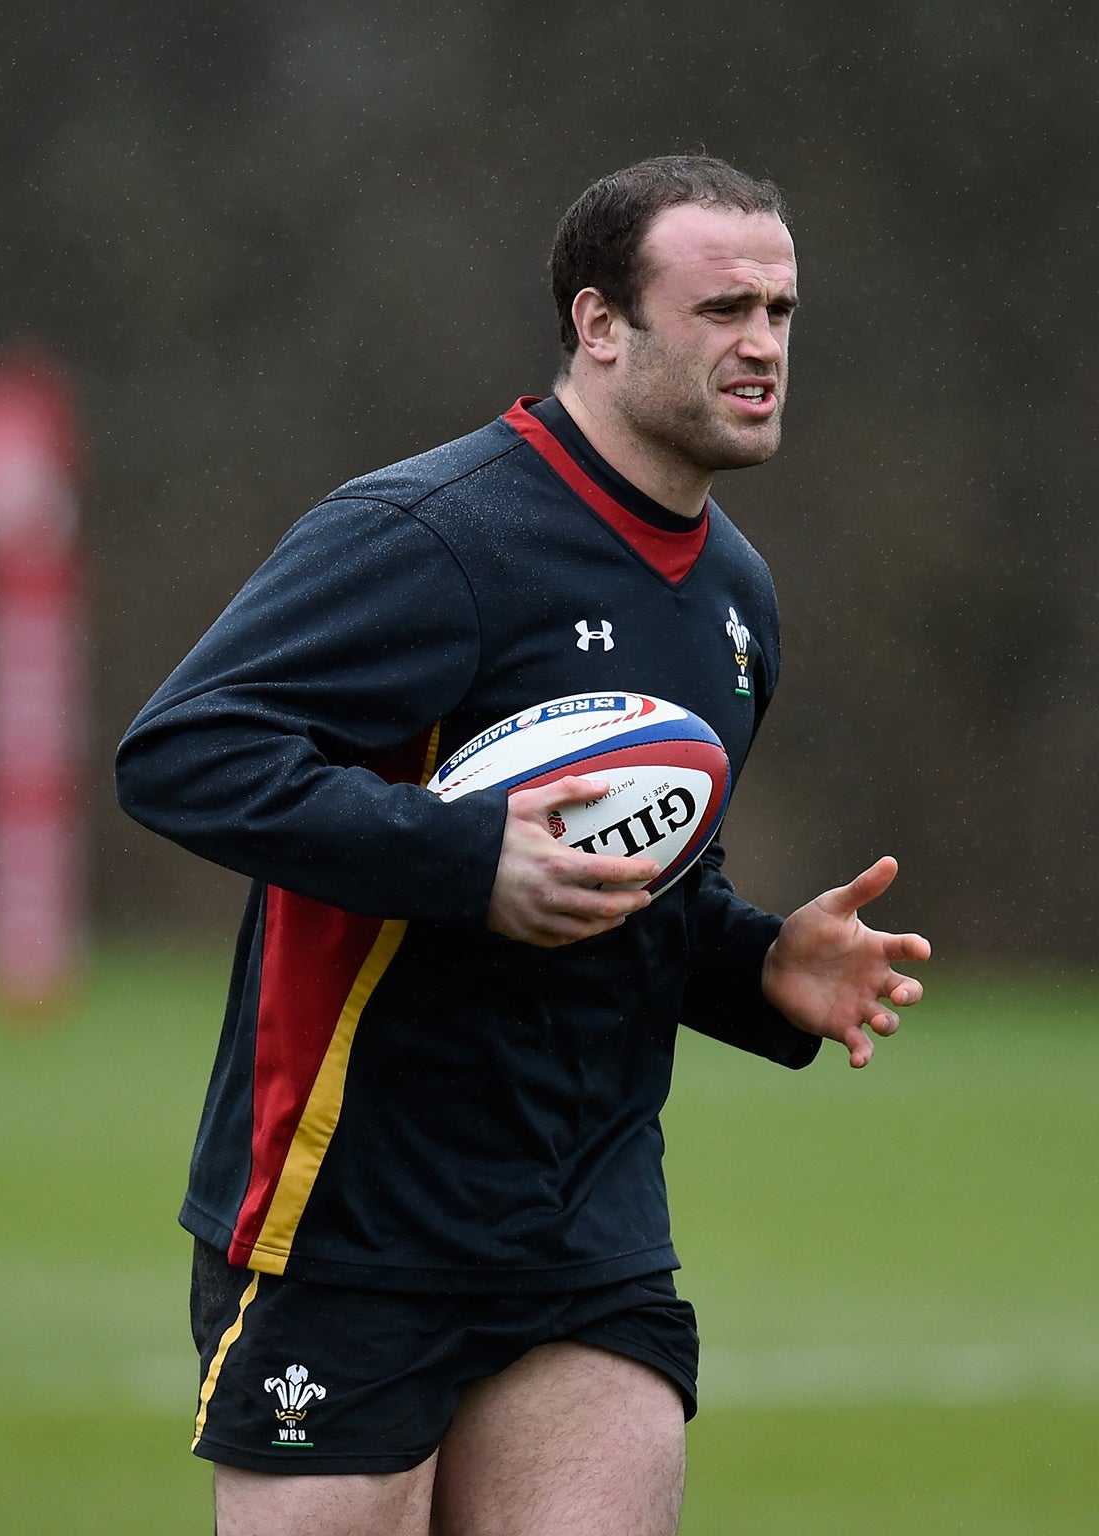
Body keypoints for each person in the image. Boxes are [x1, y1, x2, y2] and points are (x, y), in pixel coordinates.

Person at [115, 155, 931, 1536]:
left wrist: (758, 965)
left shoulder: (735, 594)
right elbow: (181, 755)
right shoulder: (431, 535)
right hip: (354, 1214)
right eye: (723, 306)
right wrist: (461, 858)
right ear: (599, 324)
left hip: (587, 1219)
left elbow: (648, 881)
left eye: (782, 312)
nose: (762, 345)